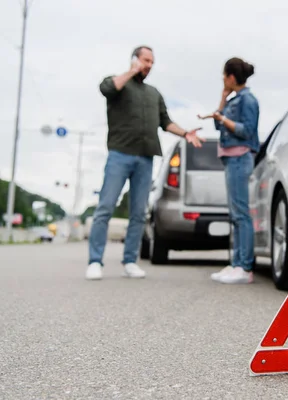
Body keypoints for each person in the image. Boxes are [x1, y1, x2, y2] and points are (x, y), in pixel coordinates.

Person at [86, 45, 205, 281]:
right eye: (145, 60)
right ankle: (95, 261)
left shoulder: (154, 93)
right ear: (134, 60)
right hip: (119, 155)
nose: (148, 65)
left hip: (145, 157)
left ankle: (130, 261)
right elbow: (107, 89)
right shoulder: (117, 83)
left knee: (139, 213)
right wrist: (131, 71)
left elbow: (165, 122)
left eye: (152, 62)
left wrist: (185, 134)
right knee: (105, 208)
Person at [198, 57, 260, 284]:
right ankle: (236, 264)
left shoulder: (248, 100)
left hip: (240, 158)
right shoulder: (234, 100)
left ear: (231, 77)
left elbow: (248, 130)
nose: (223, 80)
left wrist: (222, 118)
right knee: (235, 215)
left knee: (242, 214)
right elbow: (218, 124)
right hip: (231, 160)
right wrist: (223, 99)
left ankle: (244, 267)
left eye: (224, 76)